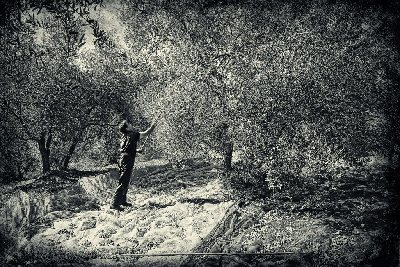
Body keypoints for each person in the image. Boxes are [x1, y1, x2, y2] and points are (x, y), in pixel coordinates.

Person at [111, 120, 156, 211]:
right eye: (129, 124)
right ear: (127, 128)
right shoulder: (133, 134)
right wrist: (153, 126)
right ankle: (115, 204)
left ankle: (123, 201)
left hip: (123, 159)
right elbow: (147, 133)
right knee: (124, 181)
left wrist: (137, 150)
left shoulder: (124, 137)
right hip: (128, 160)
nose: (131, 124)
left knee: (125, 180)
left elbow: (126, 149)